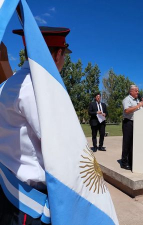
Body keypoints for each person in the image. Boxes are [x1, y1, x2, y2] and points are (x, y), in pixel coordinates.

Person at [0, 26, 72, 225]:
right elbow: (60, 146)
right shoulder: (38, 88)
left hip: (10, 190)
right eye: (65, 56)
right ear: (57, 55)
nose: (64, 62)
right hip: (29, 205)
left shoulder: (8, 84)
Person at [121, 85, 143, 170]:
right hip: (128, 123)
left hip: (136, 123)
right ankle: (124, 162)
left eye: (138, 91)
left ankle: (131, 161)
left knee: (133, 144)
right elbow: (127, 110)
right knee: (127, 143)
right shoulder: (127, 100)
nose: (138, 92)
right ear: (131, 91)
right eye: (136, 91)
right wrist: (138, 106)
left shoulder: (137, 100)